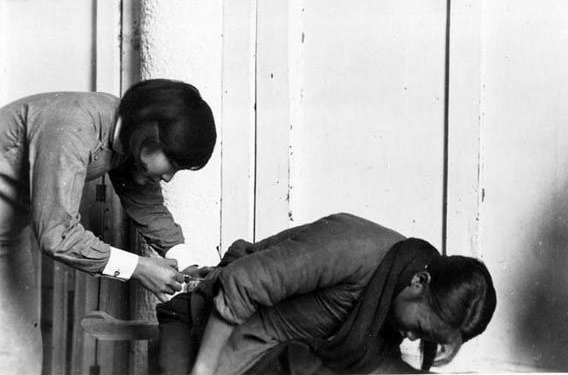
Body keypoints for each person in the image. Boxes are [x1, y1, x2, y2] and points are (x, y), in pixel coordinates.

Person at [0, 79, 217, 374]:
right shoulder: (74, 124)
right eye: (173, 165)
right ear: (151, 133)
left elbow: (147, 205)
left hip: (7, 237)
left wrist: (187, 266)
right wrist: (138, 268)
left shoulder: (129, 137)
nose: (168, 178)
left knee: (20, 355)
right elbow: (57, 235)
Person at [156, 212, 496, 375]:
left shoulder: (396, 285)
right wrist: (203, 371)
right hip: (208, 322)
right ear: (420, 282)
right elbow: (241, 284)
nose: (410, 337)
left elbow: (377, 363)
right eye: (419, 328)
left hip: (281, 354)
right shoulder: (355, 248)